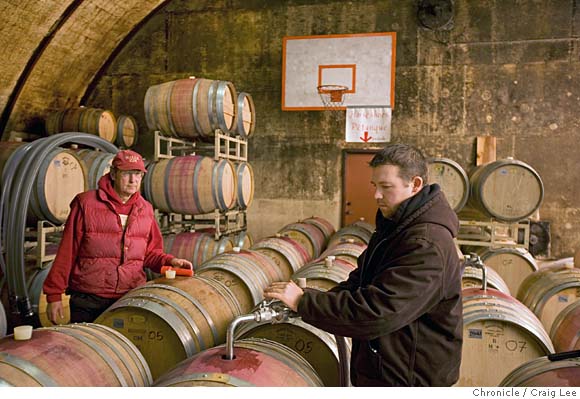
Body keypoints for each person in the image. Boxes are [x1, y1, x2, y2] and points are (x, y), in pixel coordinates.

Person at [264, 143, 463, 386]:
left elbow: (378, 311)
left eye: (386, 187)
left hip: (409, 378)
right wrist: (310, 299)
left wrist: (303, 302)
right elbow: (359, 281)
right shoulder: (396, 227)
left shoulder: (426, 243)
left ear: (416, 184)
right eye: (375, 186)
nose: (376, 195)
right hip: (386, 367)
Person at [44, 149, 193, 324]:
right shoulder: (86, 204)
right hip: (89, 300)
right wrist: (54, 295)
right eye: (127, 173)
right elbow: (67, 251)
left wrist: (170, 262)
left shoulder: (145, 209)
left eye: (137, 174)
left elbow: (149, 254)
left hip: (129, 298)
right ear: (113, 174)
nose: (133, 180)